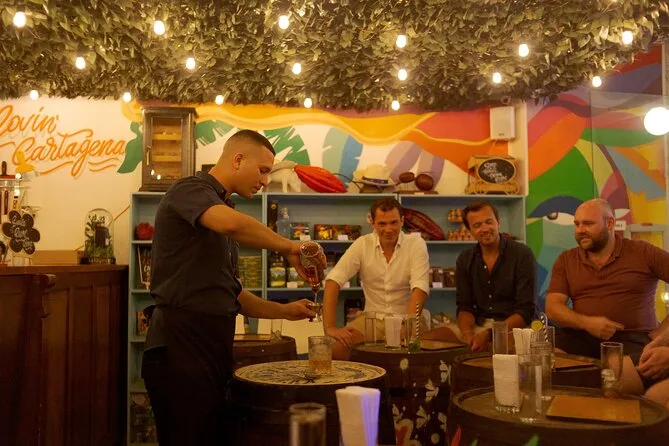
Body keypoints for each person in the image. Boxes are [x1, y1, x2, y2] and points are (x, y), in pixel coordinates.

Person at [141, 129, 322, 446]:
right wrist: (291, 247)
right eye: (263, 170)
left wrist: (285, 311)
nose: (265, 180)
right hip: (179, 344)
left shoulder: (222, 210)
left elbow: (232, 293)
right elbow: (231, 224)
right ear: (238, 159)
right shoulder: (190, 190)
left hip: (212, 345)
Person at [545, 198, 669, 397]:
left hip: (632, 339)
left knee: (610, 377)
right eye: (577, 224)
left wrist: (663, 332)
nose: (580, 230)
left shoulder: (643, 252)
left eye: (588, 224)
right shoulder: (566, 259)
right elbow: (553, 307)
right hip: (580, 336)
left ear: (610, 223)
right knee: (546, 366)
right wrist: (586, 323)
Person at [322, 197, 430, 360]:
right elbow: (333, 281)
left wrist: (408, 325)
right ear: (372, 223)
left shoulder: (416, 244)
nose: (388, 229)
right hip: (370, 320)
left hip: (407, 318)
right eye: (382, 224)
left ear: (402, 221)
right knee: (336, 350)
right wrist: (330, 327)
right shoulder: (362, 244)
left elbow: (419, 289)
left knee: (413, 360)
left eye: (393, 223)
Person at [423, 200, 536, 352]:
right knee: (428, 340)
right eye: (477, 225)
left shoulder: (522, 254)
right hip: (478, 327)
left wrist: (489, 335)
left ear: (498, 222)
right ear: (470, 230)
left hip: (513, 328)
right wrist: (467, 333)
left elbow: (525, 312)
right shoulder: (465, 259)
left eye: (488, 222)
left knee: (498, 349)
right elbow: (465, 306)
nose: (484, 229)